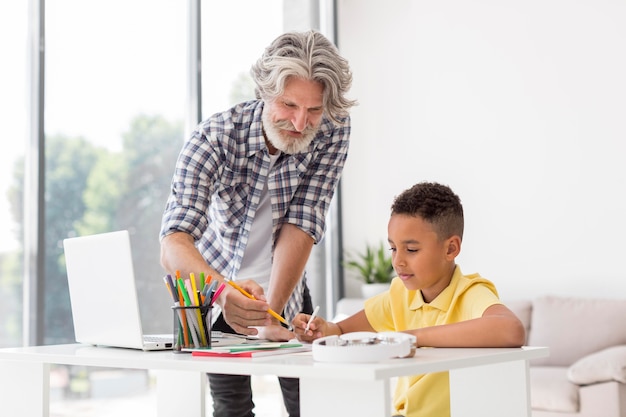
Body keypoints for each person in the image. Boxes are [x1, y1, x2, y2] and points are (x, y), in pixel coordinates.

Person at [159, 30, 356, 417]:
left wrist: (274, 311)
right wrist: (225, 294)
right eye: (288, 104)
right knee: (232, 408)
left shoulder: (333, 129)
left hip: (289, 292)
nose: (301, 123)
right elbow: (174, 244)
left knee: (313, 405)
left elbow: (303, 221)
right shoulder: (214, 139)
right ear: (264, 91)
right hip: (217, 292)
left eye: (313, 109)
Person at [293, 182, 526, 417]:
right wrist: (322, 329)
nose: (398, 261)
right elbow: (341, 330)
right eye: (393, 249)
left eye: (411, 250)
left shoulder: (470, 292)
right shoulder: (400, 294)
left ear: (451, 248)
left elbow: (511, 330)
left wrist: (412, 338)